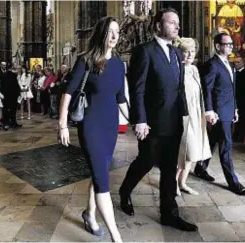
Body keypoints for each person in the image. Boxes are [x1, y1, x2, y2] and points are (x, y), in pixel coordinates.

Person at [119, 8, 197, 232]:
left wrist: (184, 115)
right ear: (158, 25)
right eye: (171, 22)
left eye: (177, 23)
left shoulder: (175, 53)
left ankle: (169, 213)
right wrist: (140, 120)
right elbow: (138, 89)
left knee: (169, 168)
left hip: (172, 121)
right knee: (146, 161)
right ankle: (125, 191)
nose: (176, 27)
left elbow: (178, 87)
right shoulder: (144, 51)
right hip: (152, 122)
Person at [58, 16, 128, 242]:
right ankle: (116, 237)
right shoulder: (86, 60)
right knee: (102, 181)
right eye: (110, 31)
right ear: (101, 34)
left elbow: (121, 98)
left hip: (110, 127)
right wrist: (62, 124)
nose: (115, 36)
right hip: (91, 126)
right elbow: (68, 92)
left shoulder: (119, 64)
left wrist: (137, 121)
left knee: (100, 174)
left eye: (118, 32)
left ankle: (89, 213)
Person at [194, 33, 245, 196]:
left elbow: (231, 90)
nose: (230, 47)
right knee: (226, 147)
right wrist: (209, 111)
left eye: (231, 44)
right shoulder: (212, 65)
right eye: (226, 44)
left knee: (213, 140)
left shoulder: (230, 64)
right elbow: (207, 89)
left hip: (228, 110)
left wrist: (234, 108)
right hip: (218, 112)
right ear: (217, 46)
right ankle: (234, 183)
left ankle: (200, 168)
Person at [175, 37, 211, 196]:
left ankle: (182, 182)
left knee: (194, 152)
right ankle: (172, 183)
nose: (189, 54)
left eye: (192, 51)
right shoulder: (176, 69)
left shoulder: (194, 69)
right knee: (184, 151)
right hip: (183, 116)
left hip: (196, 115)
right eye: (185, 51)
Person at [233, 56, 245, 142]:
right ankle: (235, 134)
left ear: (243, 63)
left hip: (242, 99)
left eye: (238, 62)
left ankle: (241, 136)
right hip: (234, 99)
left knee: (242, 118)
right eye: (235, 62)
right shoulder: (233, 73)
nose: (236, 64)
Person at [0, 61, 21, 129]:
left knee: (5, 109)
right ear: (11, 67)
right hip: (13, 96)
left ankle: (6, 123)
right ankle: (13, 123)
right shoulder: (14, 75)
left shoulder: (3, 75)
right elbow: (16, 85)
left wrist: (3, 94)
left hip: (6, 95)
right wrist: (18, 93)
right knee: (13, 110)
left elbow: (1, 87)